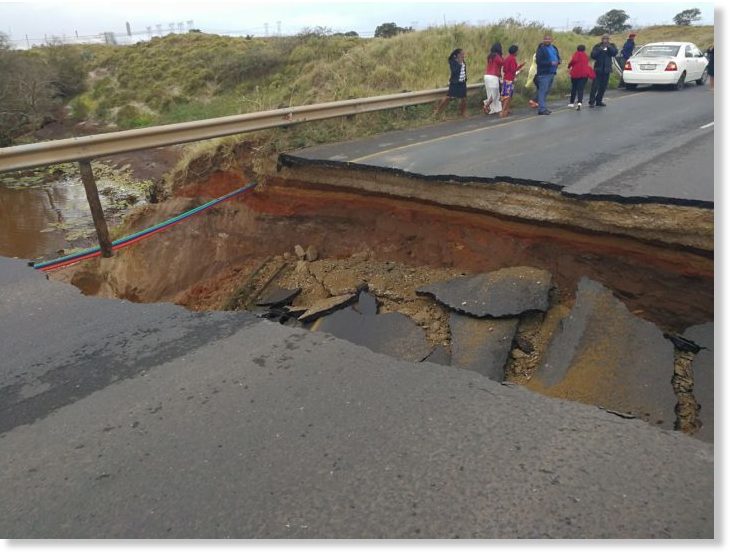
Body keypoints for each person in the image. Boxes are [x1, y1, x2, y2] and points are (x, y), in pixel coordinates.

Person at [434, 48, 468, 117]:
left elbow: (463, 70)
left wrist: (465, 77)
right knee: (448, 97)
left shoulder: (463, 61)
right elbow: (454, 71)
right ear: (457, 55)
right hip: (455, 83)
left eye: (463, 54)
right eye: (462, 54)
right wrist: (459, 63)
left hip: (462, 82)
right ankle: (437, 112)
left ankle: (462, 113)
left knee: (464, 98)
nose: (463, 55)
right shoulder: (453, 61)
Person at [588, 34, 618, 107]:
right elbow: (593, 55)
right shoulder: (597, 46)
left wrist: (609, 47)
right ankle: (591, 101)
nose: (605, 40)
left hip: (607, 69)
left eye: (607, 39)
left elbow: (614, 53)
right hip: (598, 69)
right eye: (604, 39)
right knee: (595, 86)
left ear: (608, 39)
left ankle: (599, 101)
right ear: (602, 39)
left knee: (603, 86)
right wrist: (600, 49)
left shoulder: (612, 45)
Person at [535, 34, 561, 115]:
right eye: (545, 39)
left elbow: (557, 56)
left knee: (546, 91)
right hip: (544, 73)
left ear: (551, 40)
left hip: (552, 72)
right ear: (543, 40)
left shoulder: (554, 48)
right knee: (542, 91)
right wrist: (550, 63)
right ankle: (541, 109)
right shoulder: (541, 49)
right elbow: (538, 61)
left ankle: (543, 107)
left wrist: (559, 61)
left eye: (549, 39)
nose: (547, 40)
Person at [500, 44, 525, 118]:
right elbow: (513, 70)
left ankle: (506, 110)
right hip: (510, 79)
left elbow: (504, 69)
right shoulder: (513, 59)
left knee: (506, 95)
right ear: (515, 52)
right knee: (508, 96)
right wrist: (520, 68)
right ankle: (503, 111)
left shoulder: (507, 58)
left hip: (505, 78)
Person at [567, 44, 594, 110]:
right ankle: (579, 103)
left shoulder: (576, 54)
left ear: (577, 49)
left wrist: (569, 66)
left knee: (574, 88)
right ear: (584, 49)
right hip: (584, 74)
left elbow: (573, 61)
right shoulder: (585, 55)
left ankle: (571, 103)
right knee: (580, 89)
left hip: (575, 73)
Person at [482, 43, 503, 115]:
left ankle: (493, 109)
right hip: (493, 77)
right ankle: (486, 105)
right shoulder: (497, 56)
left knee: (490, 93)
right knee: (495, 94)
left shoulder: (490, 56)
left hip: (487, 76)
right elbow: (502, 63)